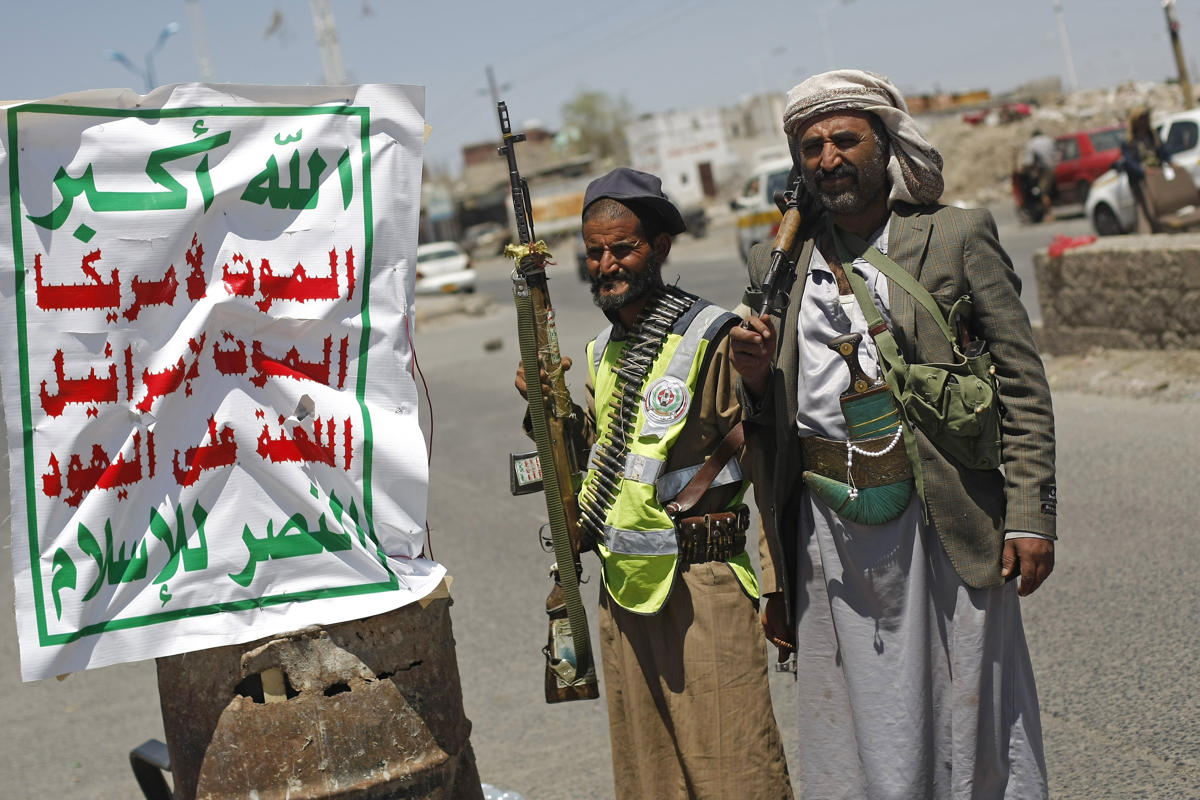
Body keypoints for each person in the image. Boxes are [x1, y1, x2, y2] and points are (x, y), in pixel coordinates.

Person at [729, 70, 1056, 800]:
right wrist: (752, 377)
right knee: (857, 722)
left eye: (845, 139)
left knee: (971, 710)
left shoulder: (953, 237)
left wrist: (1031, 513)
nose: (828, 158)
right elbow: (766, 425)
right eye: (810, 146)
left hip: (943, 516)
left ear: (885, 145)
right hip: (830, 532)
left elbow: (1024, 383)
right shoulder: (773, 264)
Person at [514, 167, 792, 800]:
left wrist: (778, 585)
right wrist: (548, 409)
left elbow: (768, 455)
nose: (606, 264)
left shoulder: (714, 336)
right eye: (593, 253)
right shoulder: (600, 354)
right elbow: (601, 470)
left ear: (660, 248)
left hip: (704, 586)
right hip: (623, 592)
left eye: (622, 248)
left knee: (737, 774)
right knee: (650, 781)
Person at [1020, 128, 1059, 221]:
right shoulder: (1049, 139)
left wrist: (1024, 169)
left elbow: (1029, 162)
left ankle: (1049, 214)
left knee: (1043, 192)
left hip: (1046, 170)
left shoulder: (1032, 143)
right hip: (1057, 166)